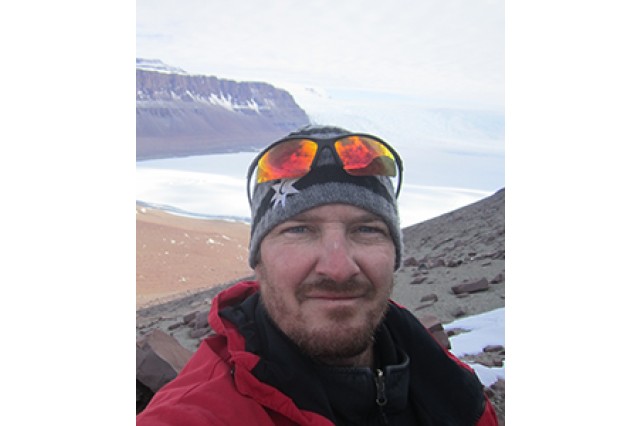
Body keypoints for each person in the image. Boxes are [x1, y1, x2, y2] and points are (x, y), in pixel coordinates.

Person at [137, 125, 498, 425]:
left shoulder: (453, 388)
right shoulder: (195, 414)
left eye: (367, 230)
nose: (338, 267)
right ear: (258, 258)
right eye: (299, 230)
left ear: (394, 254)